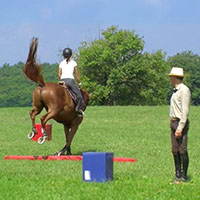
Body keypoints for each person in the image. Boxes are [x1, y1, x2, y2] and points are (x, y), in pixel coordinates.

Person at [168, 67, 191, 182]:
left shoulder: (184, 90)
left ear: (175, 77)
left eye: (170, 77)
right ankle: (177, 174)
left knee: (182, 150)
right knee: (175, 150)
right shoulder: (175, 90)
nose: (169, 79)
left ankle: (183, 175)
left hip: (179, 122)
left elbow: (185, 111)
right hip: (173, 121)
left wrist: (180, 127)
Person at [58, 48, 84, 117]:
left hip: (63, 81)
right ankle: (78, 109)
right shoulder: (74, 63)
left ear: (63, 55)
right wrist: (79, 83)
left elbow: (59, 75)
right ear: (71, 55)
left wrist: (61, 81)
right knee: (80, 96)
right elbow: (77, 75)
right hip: (70, 81)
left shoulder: (61, 63)